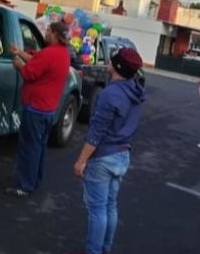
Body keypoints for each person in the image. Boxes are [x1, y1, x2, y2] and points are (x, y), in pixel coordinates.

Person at [73, 47, 145, 254]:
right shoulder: (136, 90)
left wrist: (81, 160)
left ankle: (93, 250)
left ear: (116, 66)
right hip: (123, 154)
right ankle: (105, 248)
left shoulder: (109, 94)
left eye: (112, 61)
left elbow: (96, 132)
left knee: (97, 210)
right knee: (110, 206)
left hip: (104, 157)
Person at [6, 21, 71, 197]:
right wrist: (20, 52)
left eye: (49, 30)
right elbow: (38, 60)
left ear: (55, 34)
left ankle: (24, 185)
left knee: (29, 147)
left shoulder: (49, 54)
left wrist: (19, 64)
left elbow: (29, 73)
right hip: (48, 109)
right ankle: (34, 180)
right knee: (39, 147)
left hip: (35, 108)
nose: (46, 32)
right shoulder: (62, 54)